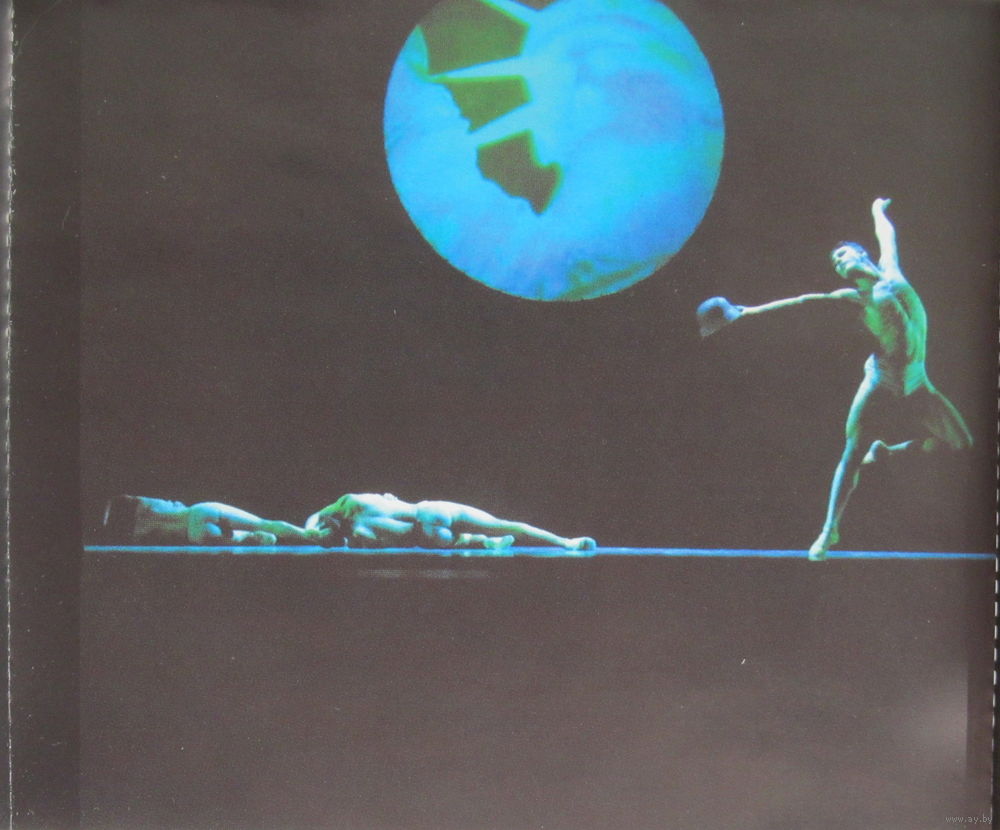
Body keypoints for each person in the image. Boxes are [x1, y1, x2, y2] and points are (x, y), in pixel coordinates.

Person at [697, 197, 972, 560]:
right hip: (882, 383)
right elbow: (803, 301)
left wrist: (877, 211)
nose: (839, 264)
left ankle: (887, 453)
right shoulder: (854, 298)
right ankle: (830, 531)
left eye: (842, 256)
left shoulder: (892, 274)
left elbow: (886, 235)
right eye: (835, 264)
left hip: (919, 384)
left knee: (961, 445)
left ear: (862, 254)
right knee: (852, 453)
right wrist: (747, 312)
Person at [305, 493, 597, 551]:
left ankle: (483, 543)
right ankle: (566, 543)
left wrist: (310, 533)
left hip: (426, 536)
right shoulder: (352, 500)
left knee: (461, 541)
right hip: (431, 511)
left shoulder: (359, 536)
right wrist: (311, 527)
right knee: (504, 523)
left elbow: (317, 517)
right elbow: (318, 514)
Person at [102, 495, 330, 545]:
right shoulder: (140, 503)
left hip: (195, 536)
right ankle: (310, 536)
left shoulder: (135, 533)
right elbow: (175, 504)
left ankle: (251, 537)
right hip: (199, 513)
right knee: (264, 524)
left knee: (257, 537)